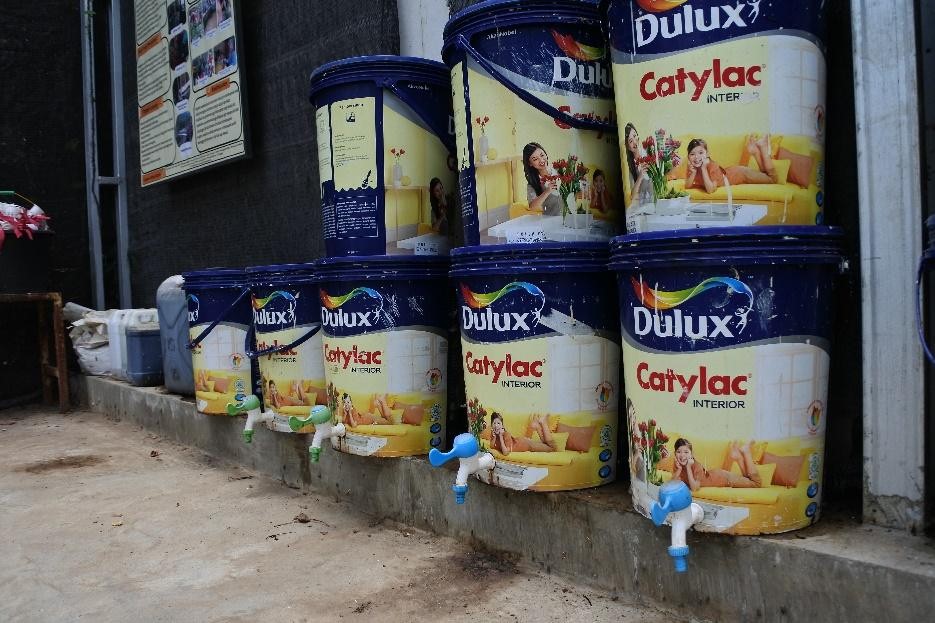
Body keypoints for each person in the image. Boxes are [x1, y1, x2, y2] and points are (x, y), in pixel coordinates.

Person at [685, 134, 778, 193]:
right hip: (734, 172)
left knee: (772, 179)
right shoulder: (693, 167)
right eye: (692, 154)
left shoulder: (711, 166)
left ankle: (763, 147)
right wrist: (693, 173)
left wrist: (703, 168)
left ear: (707, 154)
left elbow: (710, 190)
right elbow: (688, 186)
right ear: (688, 156)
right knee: (764, 175)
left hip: (741, 174)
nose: (696, 157)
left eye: (701, 153)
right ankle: (755, 152)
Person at [671, 438, 762, 491]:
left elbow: (694, 488)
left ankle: (746, 452)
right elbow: (672, 484)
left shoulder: (696, 466)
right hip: (715, 474)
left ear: (691, 454)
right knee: (748, 480)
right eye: (679, 452)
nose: (682, 455)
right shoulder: (678, 465)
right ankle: (738, 457)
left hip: (724, 478)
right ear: (675, 453)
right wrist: (679, 470)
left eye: (686, 452)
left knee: (756, 483)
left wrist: (688, 467)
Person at [522, 142, 563, 216]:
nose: (541, 160)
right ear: (530, 163)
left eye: (542, 155)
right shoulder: (533, 183)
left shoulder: (559, 170)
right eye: (535, 159)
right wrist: (547, 191)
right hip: (550, 218)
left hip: (570, 216)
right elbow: (532, 207)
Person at [489, 412, 557, 455]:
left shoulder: (506, 435)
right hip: (521, 441)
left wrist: (501, 436)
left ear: (502, 425)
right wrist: (495, 437)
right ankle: (537, 427)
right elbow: (492, 446)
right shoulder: (494, 433)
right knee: (546, 445)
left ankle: (543, 423)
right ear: (491, 425)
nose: (496, 425)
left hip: (526, 444)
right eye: (494, 423)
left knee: (552, 448)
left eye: (498, 423)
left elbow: (505, 452)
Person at [623, 123, 654, 207]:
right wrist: (640, 176)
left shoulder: (648, 152)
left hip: (655, 197)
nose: (635, 141)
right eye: (630, 141)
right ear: (628, 147)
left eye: (635, 136)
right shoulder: (631, 165)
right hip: (643, 203)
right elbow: (632, 196)